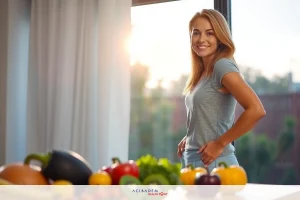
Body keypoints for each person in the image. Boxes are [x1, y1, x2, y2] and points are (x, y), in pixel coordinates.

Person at [177, 9, 266, 173]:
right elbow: (208, 113)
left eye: (209, 33)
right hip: (194, 162)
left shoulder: (222, 65)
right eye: (196, 33)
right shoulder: (202, 72)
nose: (201, 39)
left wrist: (219, 144)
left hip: (214, 164)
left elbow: (256, 110)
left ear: (220, 37)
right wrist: (191, 138)